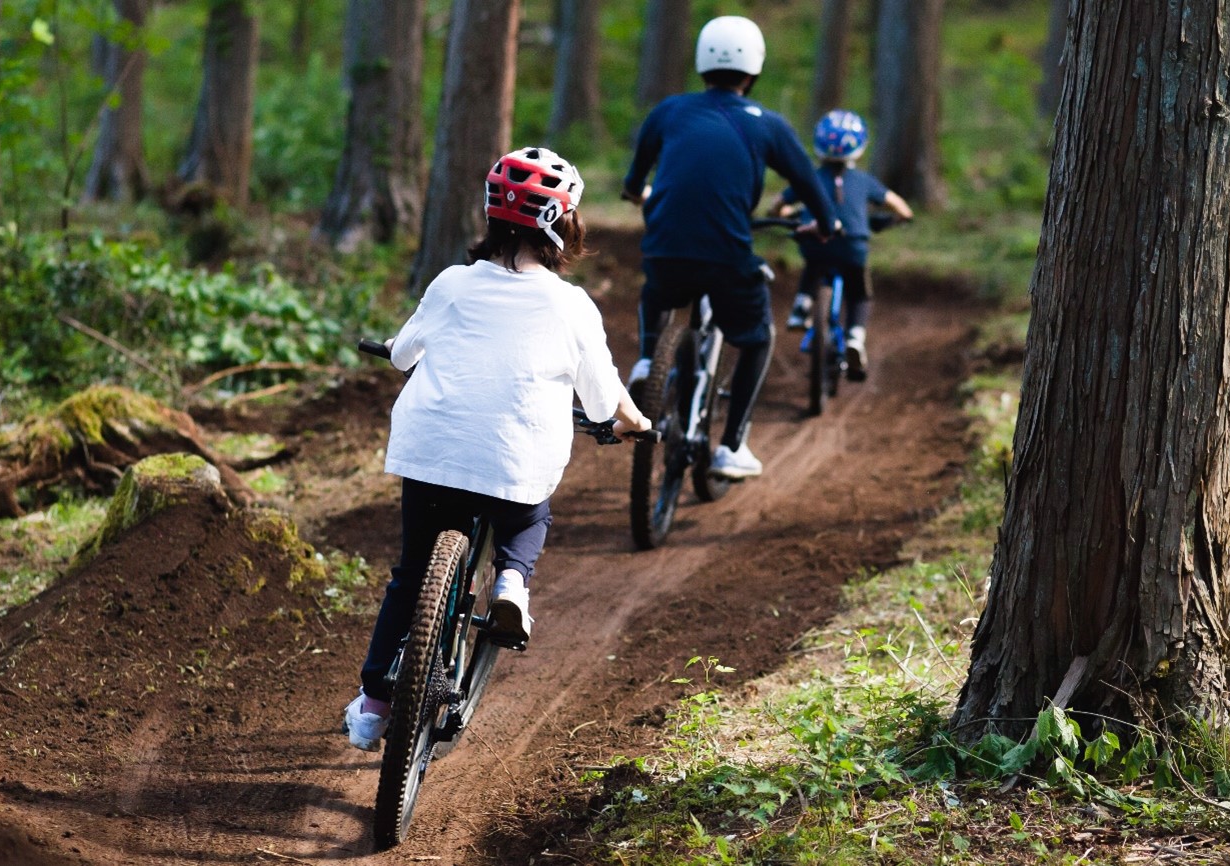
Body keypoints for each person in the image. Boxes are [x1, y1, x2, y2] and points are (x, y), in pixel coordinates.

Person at [344, 147, 652, 752]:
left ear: (492, 215)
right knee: (528, 512)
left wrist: (398, 345)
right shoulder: (571, 305)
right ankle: (512, 581)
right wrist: (631, 421)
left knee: (411, 575)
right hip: (514, 460)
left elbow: (404, 353)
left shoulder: (453, 284)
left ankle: (374, 707)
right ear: (562, 222)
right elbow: (599, 397)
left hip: (431, 450)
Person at [622, 15, 839, 480]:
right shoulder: (769, 124)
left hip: (667, 249)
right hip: (726, 257)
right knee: (758, 338)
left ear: (701, 61)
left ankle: (645, 359)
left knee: (656, 285)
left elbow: (633, 182)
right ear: (754, 68)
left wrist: (646, 197)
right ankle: (732, 446)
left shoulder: (669, 111)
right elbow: (809, 183)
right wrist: (826, 224)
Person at [775, 109, 913, 381]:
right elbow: (901, 207)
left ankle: (802, 305)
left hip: (816, 240)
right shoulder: (864, 180)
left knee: (813, 263)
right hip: (853, 245)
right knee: (859, 292)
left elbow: (777, 204)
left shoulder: (810, 177)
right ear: (859, 146)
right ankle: (855, 338)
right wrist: (896, 219)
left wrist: (786, 215)